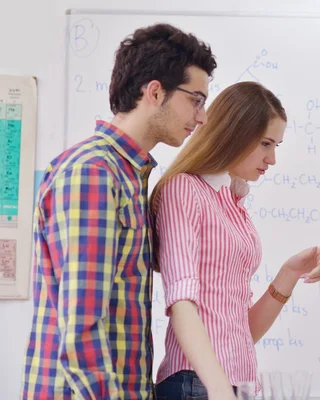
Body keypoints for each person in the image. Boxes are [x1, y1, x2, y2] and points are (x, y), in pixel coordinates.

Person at [20, 23, 217, 399]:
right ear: (155, 92)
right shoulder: (93, 173)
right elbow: (82, 327)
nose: (202, 117)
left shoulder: (129, 174)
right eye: (196, 99)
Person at [150, 81, 320, 400]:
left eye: (276, 146)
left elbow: (243, 332)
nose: (271, 158)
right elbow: (180, 302)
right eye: (265, 144)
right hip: (197, 384)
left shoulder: (234, 205)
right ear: (234, 133)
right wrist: (218, 387)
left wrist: (289, 273)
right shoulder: (184, 189)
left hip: (231, 387)